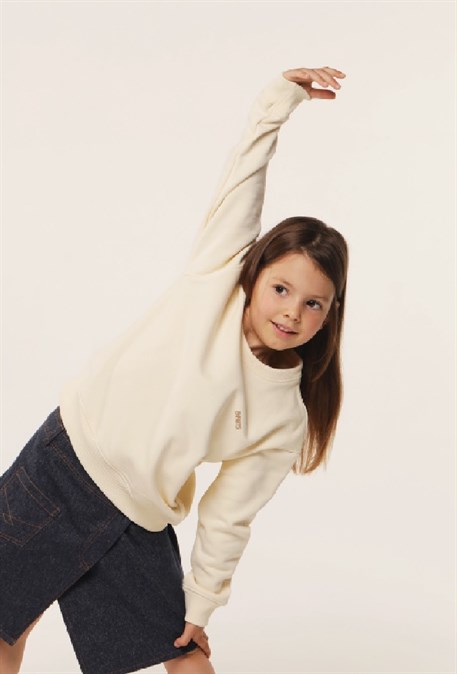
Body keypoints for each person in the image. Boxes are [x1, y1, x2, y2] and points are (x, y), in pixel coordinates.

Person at [0, 65, 348, 674]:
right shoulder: (217, 274)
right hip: (61, 465)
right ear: (254, 276)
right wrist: (278, 102)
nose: (291, 312)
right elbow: (245, 180)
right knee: (5, 623)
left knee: (183, 652)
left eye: (312, 303)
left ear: (328, 316)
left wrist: (204, 601)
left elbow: (228, 512)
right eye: (281, 289)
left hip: (137, 515)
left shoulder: (283, 414)